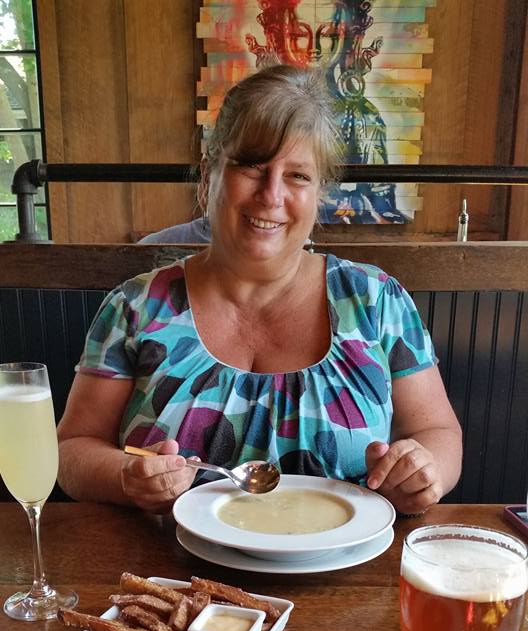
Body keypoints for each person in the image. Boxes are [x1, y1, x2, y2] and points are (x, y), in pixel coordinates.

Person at [57, 65, 462, 516]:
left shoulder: (376, 301)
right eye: (252, 166)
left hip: (345, 559)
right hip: (163, 561)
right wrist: (126, 477)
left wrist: (423, 472)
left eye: (298, 176)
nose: (271, 195)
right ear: (209, 175)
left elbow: (439, 433)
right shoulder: (135, 307)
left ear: (320, 193)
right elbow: (72, 450)